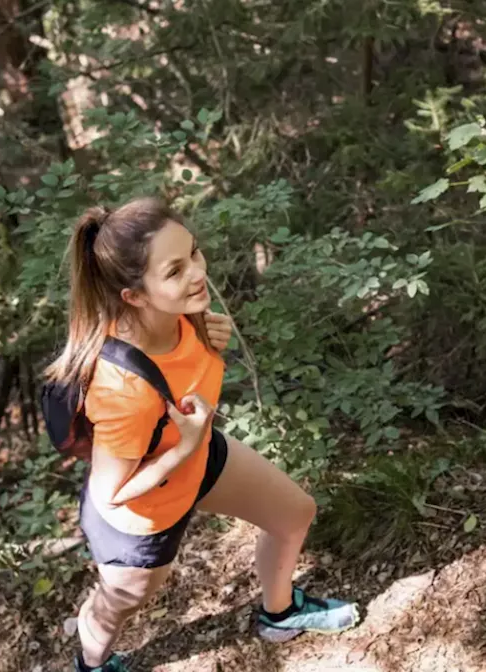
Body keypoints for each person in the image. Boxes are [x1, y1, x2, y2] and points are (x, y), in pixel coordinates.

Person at [45, 197, 358, 671]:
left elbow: (188, 375)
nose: (196, 272)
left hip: (198, 458)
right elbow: (111, 494)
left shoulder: (183, 315)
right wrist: (185, 445)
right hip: (142, 516)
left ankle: (281, 613)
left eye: (193, 252)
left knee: (295, 514)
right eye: (174, 270)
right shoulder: (122, 388)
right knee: (119, 606)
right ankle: (91, 662)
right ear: (134, 296)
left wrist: (212, 345)